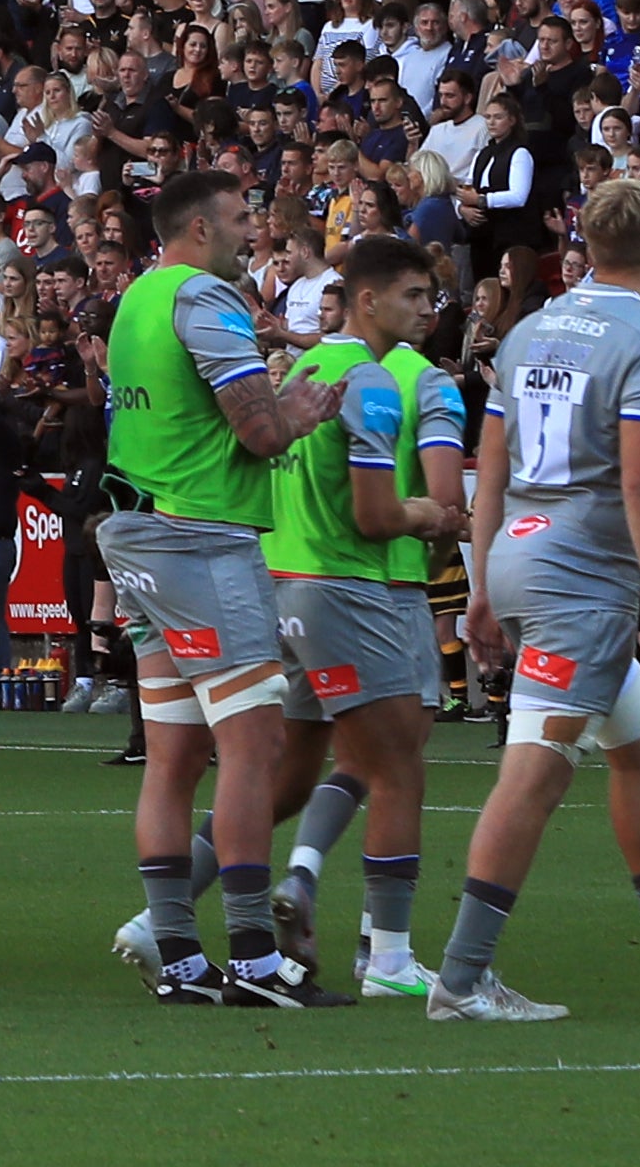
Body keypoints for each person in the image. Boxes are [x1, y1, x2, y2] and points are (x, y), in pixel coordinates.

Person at [436, 174, 640, 1021]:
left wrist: (479, 582)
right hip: (581, 580)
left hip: (520, 554)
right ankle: (462, 979)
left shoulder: (530, 329)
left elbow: (492, 465)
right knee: (533, 776)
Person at [93, 171, 337, 1005]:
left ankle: (181, 958)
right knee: (252, 747)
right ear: (198, 227)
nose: (253, 232)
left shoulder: (136, 299)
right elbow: (260, 428)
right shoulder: (207, 297)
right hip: (199, 535)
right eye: (239, 218)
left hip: (136, 531)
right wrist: (296, 413)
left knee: (171, 758)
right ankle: (258, 964)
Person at [258, 233, 466, 1000]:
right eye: (417, 296)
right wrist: (438, 518)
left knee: (292, 776)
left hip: (284, 580)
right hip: (379, 589)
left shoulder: (307, 370)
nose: (428, 310)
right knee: (396, 766)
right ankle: (387, 954)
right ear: (372, 298)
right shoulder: (417, 384)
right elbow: (442, 503)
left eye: (432, 298)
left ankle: (173, 914)